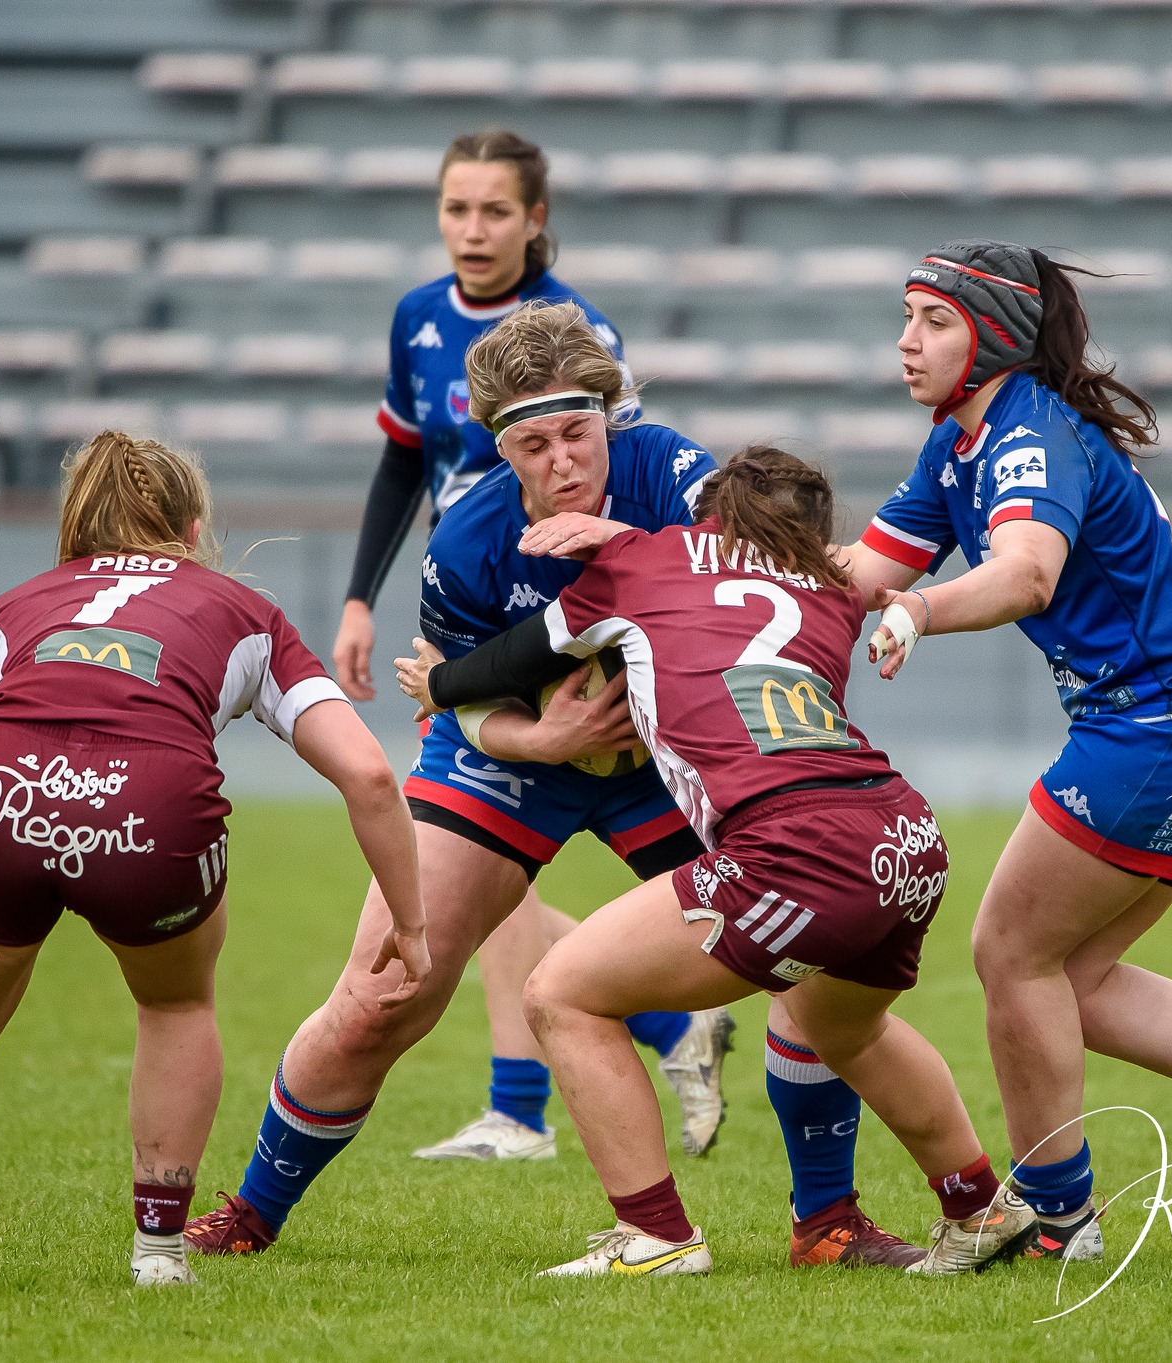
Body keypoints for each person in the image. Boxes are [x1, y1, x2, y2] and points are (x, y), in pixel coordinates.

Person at [186, 303, 900, 1267]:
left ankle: (829, 1223)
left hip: (668, 759)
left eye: (579, 431)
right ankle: (252, 1214)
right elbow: (453, 701)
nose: (564, 460)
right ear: (498, 448)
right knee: (385, 989)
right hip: (516, 757)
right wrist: (541, 734)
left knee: (812, 972)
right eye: (534, 443)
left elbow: (776, 591)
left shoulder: (680, 478)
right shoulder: (467, 542)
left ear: (611, 415)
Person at [0, 432, 426, 1289]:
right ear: (192, 527)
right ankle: (157, 1255)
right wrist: (411, 923)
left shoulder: (12, 608)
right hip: (149, 808)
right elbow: (371, 773)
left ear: (76, 524)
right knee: (175, 1005)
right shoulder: (240, 609)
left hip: (4, 795)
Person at [397, 446, 1039, 1278]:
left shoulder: (643, 558)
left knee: (559, 993)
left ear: (711, 517)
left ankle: (656, 1235)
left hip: (792, 848)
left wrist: (439, 685)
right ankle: (978, 1208)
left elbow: (522, 658)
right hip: (904, 835)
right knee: (848, 1026)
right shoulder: (832, 593)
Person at [854, 241, 1172, 1260]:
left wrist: (918, 608)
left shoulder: (1024, 433)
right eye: (906, 316)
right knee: (1072, 977)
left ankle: (1057, 1220)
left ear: (993, 335)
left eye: (932, 320)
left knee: (1009, 952)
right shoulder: (957, 442)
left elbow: (1023, 575)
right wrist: (695, 558)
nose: (905, 341)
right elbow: (857, 572)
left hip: (1159, 729)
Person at [328, 129, 720, 1161]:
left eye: (493, 210)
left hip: (561, 620)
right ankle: (640, 1039)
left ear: (534, 219)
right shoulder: (417, 317)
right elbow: (400, 465)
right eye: (455, 208)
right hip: (468, 601)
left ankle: (524, 1102)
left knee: (497, 854)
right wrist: (359, 599)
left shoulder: (578, 335)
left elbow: (632, 477)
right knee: (490, 850)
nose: (471, 229)